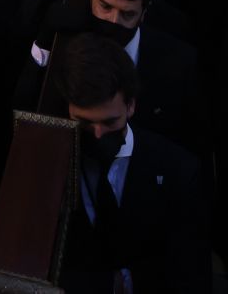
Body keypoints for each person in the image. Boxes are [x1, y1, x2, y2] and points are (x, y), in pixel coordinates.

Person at [53, 32, 211, 292]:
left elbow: (190, 273)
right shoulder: (51, 164)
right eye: (85, 122)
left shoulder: (179, 171)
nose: (98, 134)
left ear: (131, 106)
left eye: (109, 122)